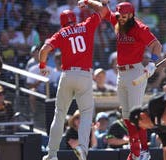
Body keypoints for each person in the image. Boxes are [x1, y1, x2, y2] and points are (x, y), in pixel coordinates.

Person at [39, 1, 109, 160]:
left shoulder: (61, 33)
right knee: (86, 114)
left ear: (62, 22)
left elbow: (44, 49)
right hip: (85, 76)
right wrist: (87, 2)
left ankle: (51, 155)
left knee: (59, 115)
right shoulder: (86, 25)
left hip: (67, 74)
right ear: (74, 19)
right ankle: (83, 150)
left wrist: (42, 65)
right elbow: (103, 9)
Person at [105, 2, 162, 160]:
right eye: (118, 16)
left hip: (135, 72)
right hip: (121, 73)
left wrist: (152, 63)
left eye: (123, 16)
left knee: (135, 115)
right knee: (126, 116)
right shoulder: (118, 21)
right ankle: (136, 151)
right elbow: (103, 11)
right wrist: (89, 2)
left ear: (131, 15)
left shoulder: (140, 28)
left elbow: (157, 45)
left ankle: (143, 151)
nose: (120, 19)